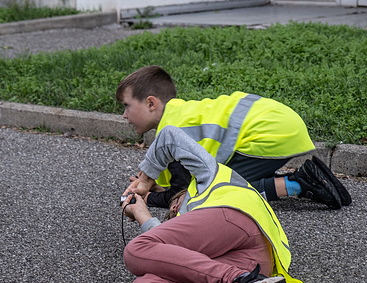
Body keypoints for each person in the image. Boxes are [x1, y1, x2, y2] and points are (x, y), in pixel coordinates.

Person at [121, 125, 302, 283]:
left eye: (173, 208)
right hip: (253, 265)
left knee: (135, 250)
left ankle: (244, 282)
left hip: (237, 218)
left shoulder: (207, 177)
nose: (174, 212)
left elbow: (168, 135)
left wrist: (146, 180)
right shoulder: (196, 234)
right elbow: (164, 258)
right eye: (170, 217)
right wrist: (144, 216)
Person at [116, 65, 351, 210]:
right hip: (279, 124)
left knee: (214, 194)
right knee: (221, 177)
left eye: (126, 106)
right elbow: (179, 179)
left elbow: (181, 194)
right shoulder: (181, 113)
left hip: (269, 134)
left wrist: (147, 197)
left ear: (150, 103)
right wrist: (157, 185)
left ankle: (298, 183)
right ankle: (314, 175)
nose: (124, 115)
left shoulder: (174, 131)